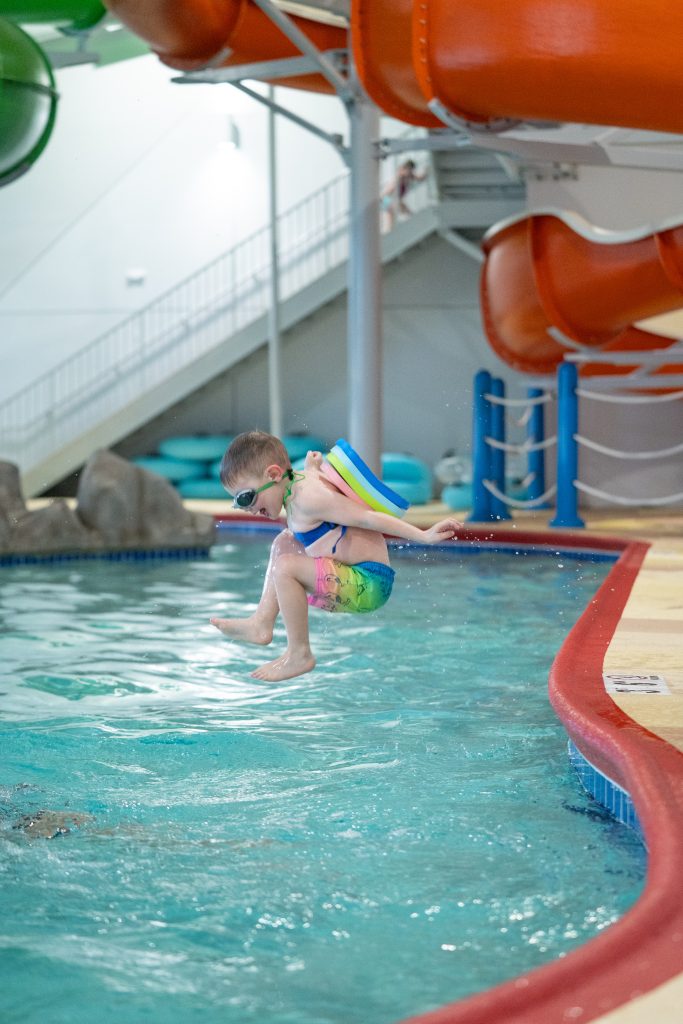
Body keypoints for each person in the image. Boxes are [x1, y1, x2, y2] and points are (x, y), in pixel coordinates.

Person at [210, 431, 462, 683]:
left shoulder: (309, 497)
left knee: (286, 567)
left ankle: (299, 654)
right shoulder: (297, 484)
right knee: (283, 542)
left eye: (246, 498)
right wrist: (312, 467)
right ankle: (262, 623)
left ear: (274, 474)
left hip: (370, 584)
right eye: (238, 503)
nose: (248, 509)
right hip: (348, 574)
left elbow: (367, 518)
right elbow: (312, 485)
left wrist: (423, 536)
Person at [381, 159, 428, 232]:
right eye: (409, 169)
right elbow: (390, 189)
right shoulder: (400, 175)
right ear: (406, 168)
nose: (410, 172)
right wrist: (383, 197)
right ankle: (388, 232)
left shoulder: (409, 175)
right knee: (390, 217)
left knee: (408, 213)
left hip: (395, 199)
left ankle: (417, 226)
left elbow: (420, 178)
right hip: (388, 198)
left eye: (411, 170)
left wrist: (426, 170)